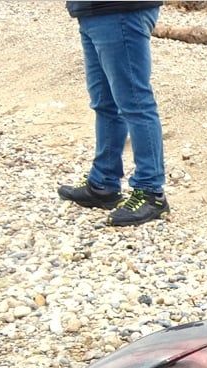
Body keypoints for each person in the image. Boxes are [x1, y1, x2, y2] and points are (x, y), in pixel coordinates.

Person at [57, 0, 170, 227]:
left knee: (135, 102)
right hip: (91, 11)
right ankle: (103, 183)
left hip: (120, 9)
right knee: (104, 102)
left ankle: (151, 192)